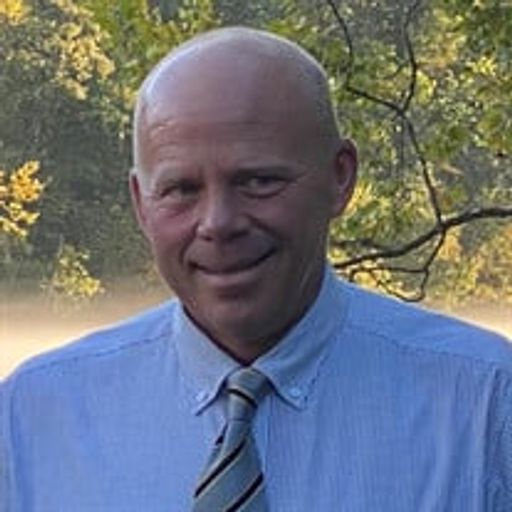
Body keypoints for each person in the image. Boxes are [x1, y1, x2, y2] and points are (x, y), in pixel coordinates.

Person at [1, 27, 511, 511]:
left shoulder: (486, 408)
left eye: (259, 181)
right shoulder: (33, 419)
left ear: (340, 177)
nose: (218, 223)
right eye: (181, 189)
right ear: (140, 202)